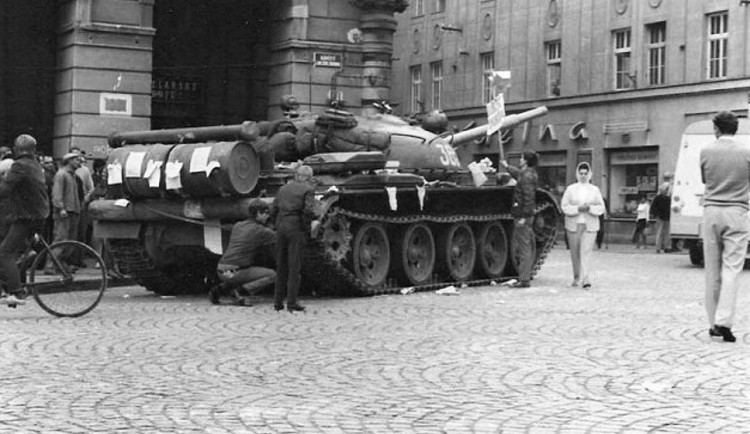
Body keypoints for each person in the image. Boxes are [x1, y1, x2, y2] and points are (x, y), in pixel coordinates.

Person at [700, 111, 749, 343]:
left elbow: (704, 179)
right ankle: (724, 321)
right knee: (732, 269)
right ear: (735, 129)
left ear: (717, 129)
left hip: (711, 211)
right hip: (737, 212)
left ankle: (712, 323)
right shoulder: (746, 153)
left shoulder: (706, 150)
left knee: (712, 269)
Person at [0, 135, 50, 306]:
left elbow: (5, 190)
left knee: (5, 253)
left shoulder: (19, 165)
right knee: (11, 250)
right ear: (33, 150)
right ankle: (24, 260)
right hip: (37, 214)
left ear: (16, 149)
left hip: (26, 216)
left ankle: (16, 292)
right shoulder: (35, 165)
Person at [209, 199, 277, 306]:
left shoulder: (238, 225)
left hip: (221, 269)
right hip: (236, 272)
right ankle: (241, 292)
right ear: (258, 213)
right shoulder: (260, 230)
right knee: (273, 275)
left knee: (245, 271)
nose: (267, 216)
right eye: (266, 213)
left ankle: (219, 290)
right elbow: (279, 238)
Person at [270, 165, 319, 312]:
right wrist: (305, 228)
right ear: (309, 178)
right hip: (295, 228)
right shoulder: (308, 190)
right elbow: (309, 211)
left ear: (296, 175)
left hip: (281, 227)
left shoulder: (283, 189)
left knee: (281, 266)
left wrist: (277, 224)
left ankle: (277, 302)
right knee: (294, 267)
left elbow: (273, 210)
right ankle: (292, 302)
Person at [561, 162, 605, 289]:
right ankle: (576, 277)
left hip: (589, 225)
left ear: (589, 174)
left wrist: (590, 208)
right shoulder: (570, 189)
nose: (583, 176)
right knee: (575, 252)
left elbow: (601, 207)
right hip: (573, 225)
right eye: (581, 173)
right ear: (577, 174)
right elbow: (564, 206)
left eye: (586, 173)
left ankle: (585, 278)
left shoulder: (595, 190)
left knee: (586, 251)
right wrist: (578, 208)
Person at [499, 151, 538, 288]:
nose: (520, 160)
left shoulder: (526, 176)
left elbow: (528, 198)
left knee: (524, 248)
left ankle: (524, 279)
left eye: (522, 158)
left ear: (526, 161)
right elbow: (518, 174)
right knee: (523, 247)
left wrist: (524, 216)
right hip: (524, 215)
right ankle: (523, 277)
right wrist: (506, 166)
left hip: (523, 216)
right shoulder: (527, 174)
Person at [45, 153, 82, 274]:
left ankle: (60, 264)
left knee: (69, 241)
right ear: (69, 161)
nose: (79, 162)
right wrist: (60, 208)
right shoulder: (61, 174)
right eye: (76, 160)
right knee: (61, 239)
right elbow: (57, 193)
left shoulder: (72, 175)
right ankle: (50, 265)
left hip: (73, 211)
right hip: (65, 212)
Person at [650, 184, 672, 253]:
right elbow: (653, 207)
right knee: (660, 232)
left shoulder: (668, 198)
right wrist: (655, 214)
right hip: (661, 217)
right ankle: (658, 247)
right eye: (666, 189)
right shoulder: (658, 198)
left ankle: (666, 247)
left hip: (666, 217)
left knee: (666, 233)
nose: (666, 191)